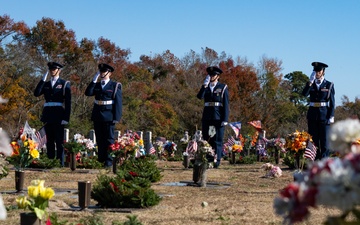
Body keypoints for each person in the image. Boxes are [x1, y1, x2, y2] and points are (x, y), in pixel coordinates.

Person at [85, 63, 122, 167]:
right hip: (97, 115)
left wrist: (116, 117)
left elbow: (118, 103)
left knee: (109, 139)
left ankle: (109, 161)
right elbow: (88, 93)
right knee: (100, 139)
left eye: (104, 71)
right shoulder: (97, 85)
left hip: (109, 115)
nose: (102, 73)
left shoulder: (115, 86)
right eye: (100, 71)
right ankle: (101, 159)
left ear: (109, 73)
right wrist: (93, 80)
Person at [34, 62, 71, 166]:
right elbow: (36, 93)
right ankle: (50, 161)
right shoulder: (46, 84)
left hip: (59, 115)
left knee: (59, 141)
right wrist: (42, 79)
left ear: (59, 70)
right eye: (50, 70)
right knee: (49, 140)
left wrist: (66, 117)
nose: (52, 71)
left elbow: (68, 102)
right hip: (48, 114)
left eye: (54, 69)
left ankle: (60, 162)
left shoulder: (64, 84)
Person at [197, 66, 229, 168]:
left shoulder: (222, 87)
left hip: (218, 116)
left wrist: (225, 119)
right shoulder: (206, 87)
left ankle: (217, 160)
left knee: (218, 139)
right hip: (207, 115)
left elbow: (226, 104)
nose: (211, 77)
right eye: (210, 75)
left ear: (218, 76)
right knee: (206, 138)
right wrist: (204, 86)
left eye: (213, 75)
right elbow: (199, 97)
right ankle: (208, 158)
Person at [302, 62, 335, 160]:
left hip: (324, 115)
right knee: (314, 140)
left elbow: (332, 102)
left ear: (323, 72)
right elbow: (304, 94)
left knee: (324, 141)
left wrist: (331, 116)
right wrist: (310, 82)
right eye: (315, 71)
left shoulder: (329, 85)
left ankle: (325, 162)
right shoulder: (310, 84)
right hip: (312, 115)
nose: (317, 73)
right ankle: (315, 162)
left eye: (319, 71)